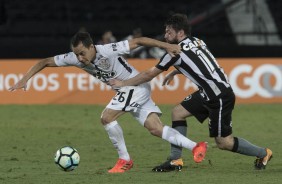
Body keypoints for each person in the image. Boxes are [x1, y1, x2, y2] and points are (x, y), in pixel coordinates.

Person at [9, 31, 207, 173]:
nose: (79, 58)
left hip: (133, 86)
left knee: (106, 117)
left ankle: (125, 160)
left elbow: (138, 41)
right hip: (133, 90)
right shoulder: (74, 58)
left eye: (82, 53)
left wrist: (167, 46)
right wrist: (26, 78)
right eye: (76, 54)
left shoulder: (108, 49)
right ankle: (196, 147)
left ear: (91, 47)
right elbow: (44, 62)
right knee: (155, 128)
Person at [109, 13, 273, 172]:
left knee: (224, 142)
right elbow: (202, 64)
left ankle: (263, 153)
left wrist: (124, 83)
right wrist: (177, 71)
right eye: (165, 31)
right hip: (210, 92)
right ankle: (175, 160)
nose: (165, 36)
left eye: (169, 32)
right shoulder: (197, 41)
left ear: (180, 33)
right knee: (178, 112)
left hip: (219, 97)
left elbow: (148, 74)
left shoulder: (174, 51)